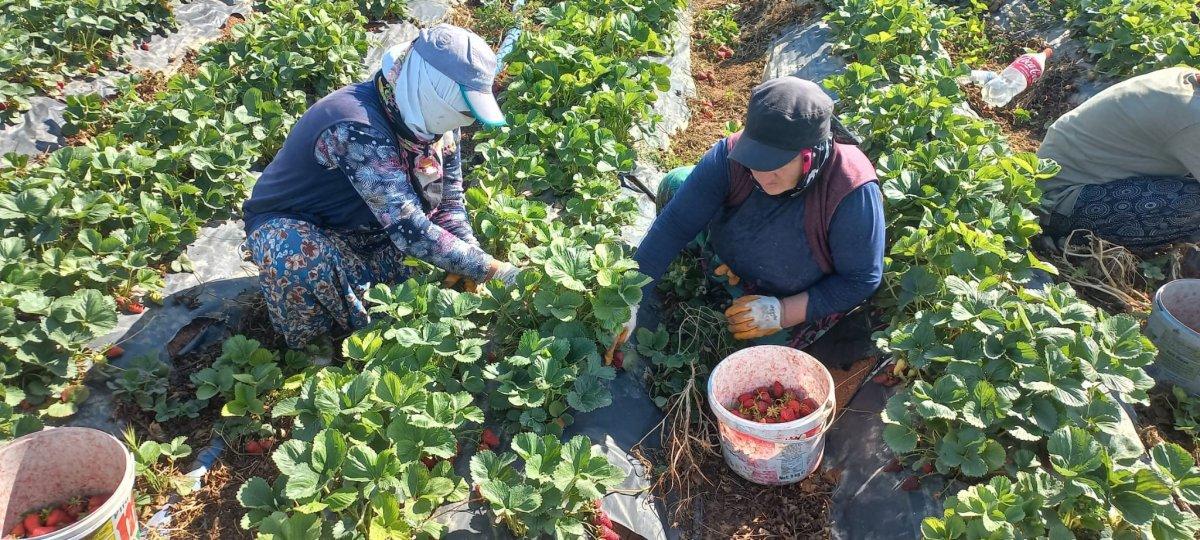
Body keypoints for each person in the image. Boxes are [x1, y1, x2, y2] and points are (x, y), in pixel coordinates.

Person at [241, 24, 519, 350]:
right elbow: (407, 227)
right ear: (433, 92)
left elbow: (448, 202)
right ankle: (313, 352)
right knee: (298, 260)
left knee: (420, 289)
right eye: (463, 111)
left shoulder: (433, 119)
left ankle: (361, 318)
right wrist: (493, 270)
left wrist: (473, 256)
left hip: (369, 228)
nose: (466, 122)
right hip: (303, 229)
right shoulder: (354, 125)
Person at [615, 76, 885, 353]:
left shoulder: (851, 190)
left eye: (777, 165)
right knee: (676, 184)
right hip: (734, 246)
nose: (763, 176)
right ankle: (717, 269)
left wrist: (780, 312)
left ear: (810, 155)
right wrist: (630, 300)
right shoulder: (729, 157)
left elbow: (860, 279)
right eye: (755, 160)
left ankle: (749, 296)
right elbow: (674, 225)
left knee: (760, 346)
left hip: (788, 292)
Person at [1038, 66, 1200, 250]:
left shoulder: (1186, 79)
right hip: (1058, 202)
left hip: (1055, 176)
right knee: (1194, 204)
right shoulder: (1193, 118)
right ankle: (1075, 244)